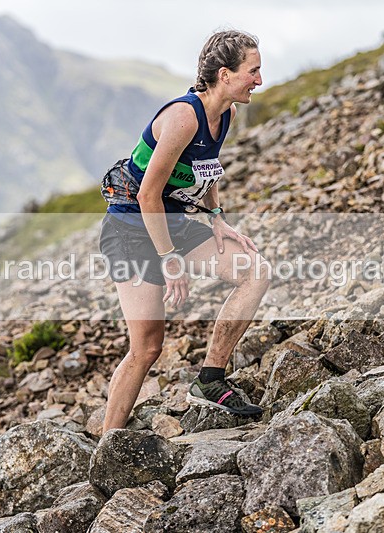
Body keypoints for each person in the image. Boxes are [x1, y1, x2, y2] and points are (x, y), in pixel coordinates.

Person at [98, 30, 270, 432]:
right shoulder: (182, 117)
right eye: (254, 71)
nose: (259, 81)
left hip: (171, 221)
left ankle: (210, 380)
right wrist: (169, 260)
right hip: (131, 228)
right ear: (225, 74)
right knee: (147, 348)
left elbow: (206, 171)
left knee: (255, 271)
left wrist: (217, 218)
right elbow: (147, 195)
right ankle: (108, 445)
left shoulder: (224, 112)